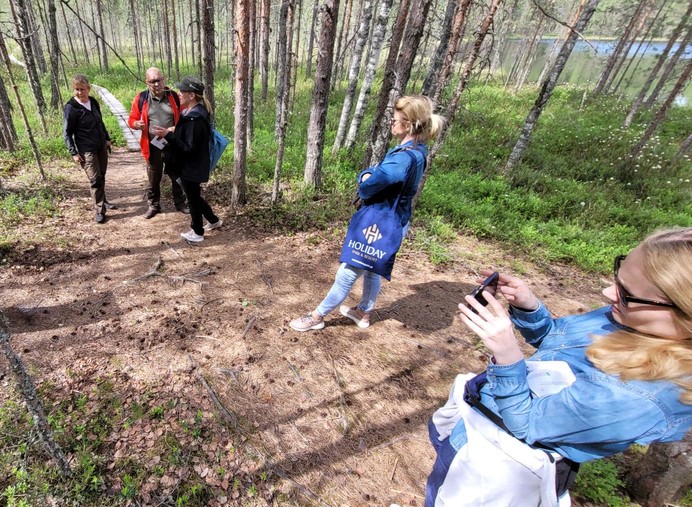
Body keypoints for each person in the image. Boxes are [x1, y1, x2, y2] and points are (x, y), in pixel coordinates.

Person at [425, 228, 692, 506]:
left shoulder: (642, 399)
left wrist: (507, 355)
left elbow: (527, 424)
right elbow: (556, 346)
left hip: (502, 466)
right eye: (618, 276)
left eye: (626, 293)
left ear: (684, 313)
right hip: (480, 426)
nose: (607, 292)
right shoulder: (634, 316)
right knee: (438, 488)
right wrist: (528, 307)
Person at [289, 95, 444, 331]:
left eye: (396, 119)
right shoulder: (417, 150)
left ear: (409, 124)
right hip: (396, 223)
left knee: (348, 272)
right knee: (373, 270)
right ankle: (363, 312)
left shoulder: (402, 158)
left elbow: (368, 185)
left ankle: (316, 317)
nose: (391, 121)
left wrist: (364, 175)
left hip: (379, 225)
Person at [151, 76, 221, 244]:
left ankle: (197, 232)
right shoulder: (188, 113)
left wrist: (168, 135)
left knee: (192, 198)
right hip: (190, 164)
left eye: (183, 91)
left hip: (192, 165)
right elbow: (188, 136)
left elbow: (189, 147)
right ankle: (214, 220)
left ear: (192, 95)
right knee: (194, 195)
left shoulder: (196, 118)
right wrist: (173, 130)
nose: (179, 94)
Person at [128, 67, 188, 219]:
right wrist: (137, 125)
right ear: (147, 82)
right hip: (152, 145)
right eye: (153, 81)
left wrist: (177, 127)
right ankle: (154, 205)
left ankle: (180, 203)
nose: (157, 84)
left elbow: (185, 115)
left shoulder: (173, 96)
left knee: (176, 174)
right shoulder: (141, 98)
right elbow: (132, 119)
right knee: (154, 176)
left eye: (159, 80)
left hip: (172, 143)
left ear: (164, 79)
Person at [63, 74, 113, 224]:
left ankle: (103, 201)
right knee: (95, 179)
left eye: (82, 89)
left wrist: (107, 138)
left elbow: (100, 122)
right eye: (77, 89)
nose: (79, 92)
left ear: (88, 89)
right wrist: (73, 152)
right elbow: (67, 132)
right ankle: (99, 210)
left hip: (100, 146)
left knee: (102, 175)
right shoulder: (71, 108)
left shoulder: (93, 102)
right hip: (86, 150)